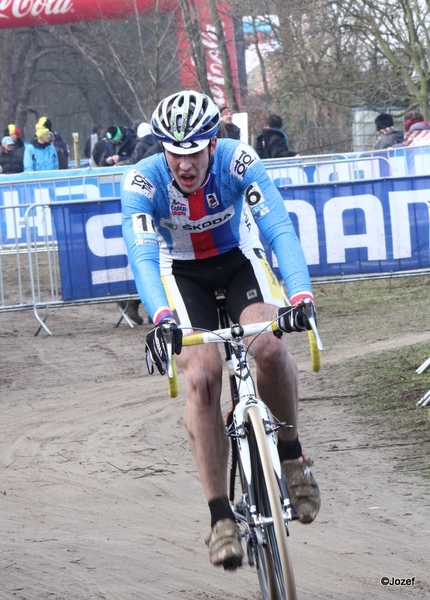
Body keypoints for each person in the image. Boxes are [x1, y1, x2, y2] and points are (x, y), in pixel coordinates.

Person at [121, 90, 321, 570]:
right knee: (203, 376)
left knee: (269, 348)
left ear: (213, 143)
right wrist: (163, 319)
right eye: (174, 151)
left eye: (193, 152)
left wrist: (300, 295)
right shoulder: (143, 182)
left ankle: (291, 458)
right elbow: (143, 254)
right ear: (161, 148)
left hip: (237, 262)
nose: (184, 164)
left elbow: (278, 230)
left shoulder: (239, 161)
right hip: (180, 272)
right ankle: (219, 517)